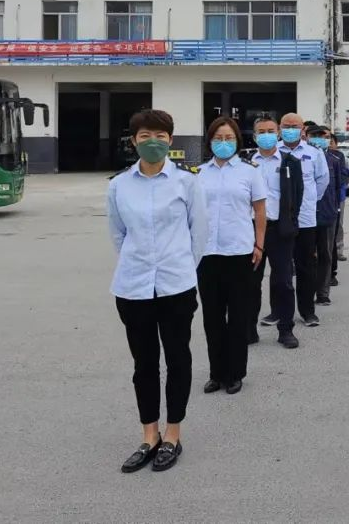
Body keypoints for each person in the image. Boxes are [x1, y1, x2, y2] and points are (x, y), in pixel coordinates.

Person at [107, 109, 207, 473]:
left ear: (171, 140)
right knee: (144, 363)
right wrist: (140, 263)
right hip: (133, 288)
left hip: (176, 286)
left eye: (161, 136)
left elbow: (199, 234)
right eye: (146, 136)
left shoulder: (186, 183)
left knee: (178, 359)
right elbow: (119, 234)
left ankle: (173, 434)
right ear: (134, 141)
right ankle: (149, 435)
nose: (153, 142)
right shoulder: (119, 185)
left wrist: (179, 267)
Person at [197, 116, 267, 395]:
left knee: (238, 317)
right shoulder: (198, 173)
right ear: (210, 141)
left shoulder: (250, 172)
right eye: (218, 138)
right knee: (212, 318)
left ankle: (236, 373)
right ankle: (216, 373)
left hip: (240, 253)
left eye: (228, 138)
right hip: (207, 254)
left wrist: (259, 245)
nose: (223, 143)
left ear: (237, 141)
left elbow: (260, 211)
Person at [249, 114, 304, 349]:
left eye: (271, 131)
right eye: (261, 132)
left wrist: (290, 221)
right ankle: (249, 329)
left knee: (283, 282)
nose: (266, 136)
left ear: (278, 134)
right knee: (250, 283)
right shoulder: (245, 163)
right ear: (254, 136)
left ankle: (286, 330)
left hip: (280, 230)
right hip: (250, 231)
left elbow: (297, 194)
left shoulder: (290, 162)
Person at [274, 112, 329, 328]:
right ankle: (278, 311)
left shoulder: (314, 153)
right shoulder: (273, 152)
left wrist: (309, 201)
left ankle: (308, 311)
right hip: (278, 219)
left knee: (306, 266)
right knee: (280, 268)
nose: (290, 130)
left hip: (305, 219)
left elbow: (322, 181)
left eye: (294, 126)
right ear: (280, 128)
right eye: (286, 126)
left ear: (302, 129)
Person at [307, 125, 343, 306]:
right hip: (306, 215)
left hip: (327, 213)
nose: (319, 139)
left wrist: (335, 209)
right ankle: (307, 293)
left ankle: (322, 293)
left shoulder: (334, 160)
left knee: (325, 255)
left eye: (323, 136)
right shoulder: (302, 158)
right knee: (306, 256)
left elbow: (338, 187)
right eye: (315, 136)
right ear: (306, 137)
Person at [327, 133, 349, 283]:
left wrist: (342, 187)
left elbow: (347, 174)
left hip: (338, 197)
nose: (329, 143)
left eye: (331, 141)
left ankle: (339, 250)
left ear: (336, 144)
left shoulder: (340, 157)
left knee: (338, 225)